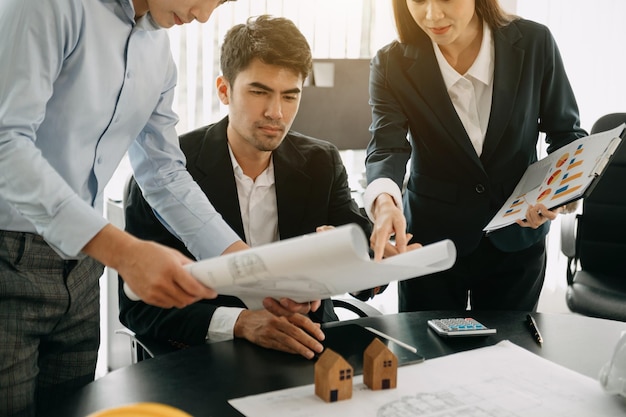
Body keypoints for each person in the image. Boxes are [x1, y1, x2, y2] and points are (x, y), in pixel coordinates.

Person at [0, 1, 317, 415]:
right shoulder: (49, 7)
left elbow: (163, 172)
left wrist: (254, 274)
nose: (204, 16)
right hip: (8, 257)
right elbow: (6, 143)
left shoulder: (158, 52)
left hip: (81, 269)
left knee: (69, 409)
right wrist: (123, 252)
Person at [119, 15, 373, 360]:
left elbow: (366, 266)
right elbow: (139, 308)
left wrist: (351, 263)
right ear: (224, 90)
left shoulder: (321, 162)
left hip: (308, 349)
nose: (276, 113)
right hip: (209, 359)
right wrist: (240, 322)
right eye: (259, 92)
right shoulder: (162, 173)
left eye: (289, 96)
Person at [363, 0, 587, 312]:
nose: (432, 15)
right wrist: (385, 203)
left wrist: (557, 193)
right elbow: (387, 146)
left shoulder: (535, 43)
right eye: (417, 0)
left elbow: (566, 134)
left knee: (509, 354)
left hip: (518, 237)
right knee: (430, 355)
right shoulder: (391, 63)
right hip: (431, 240)